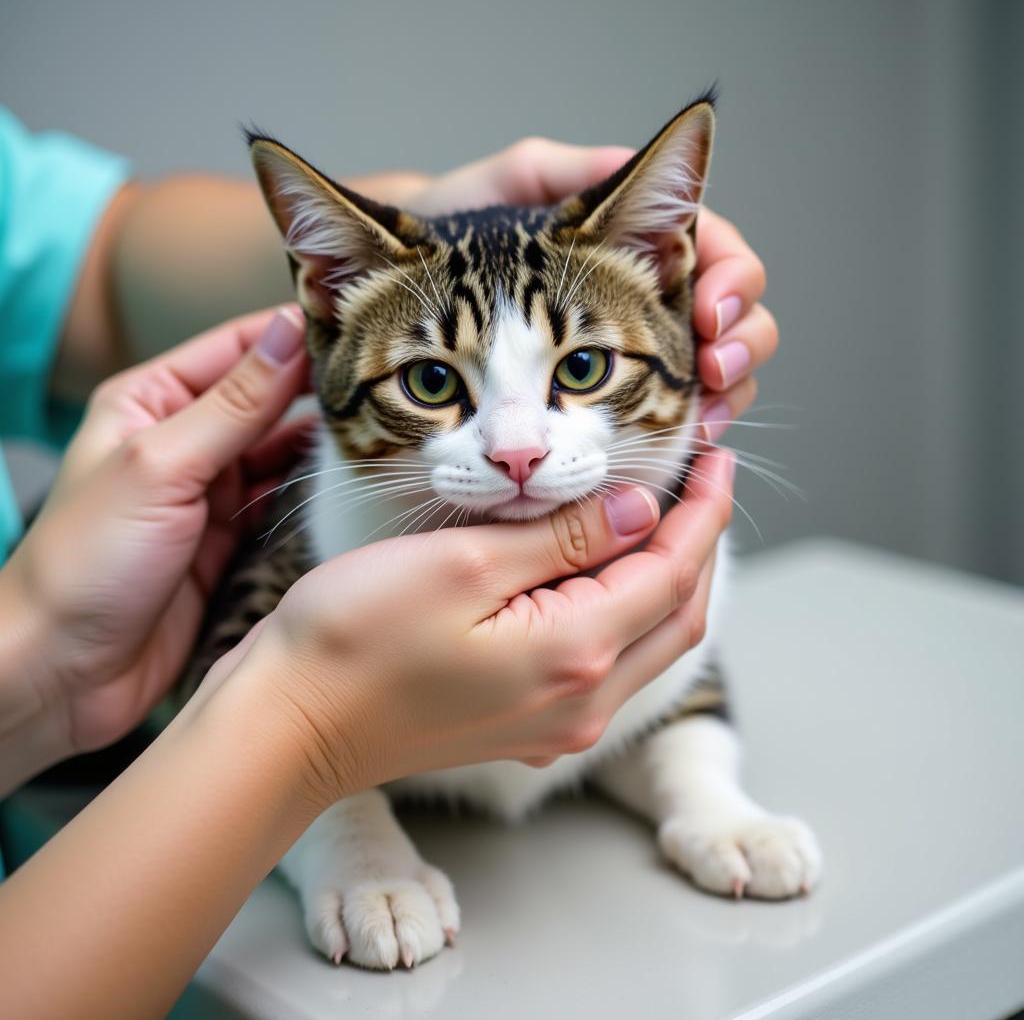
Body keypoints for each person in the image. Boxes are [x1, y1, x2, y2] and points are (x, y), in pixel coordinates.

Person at [0, 110, 776, 1017]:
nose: (517, 449)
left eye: (585, 367)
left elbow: (76, 262)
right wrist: (330, 796)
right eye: (435, 381)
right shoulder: (319, 543)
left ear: (666, 270)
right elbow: (220, 673)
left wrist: (702, 798)